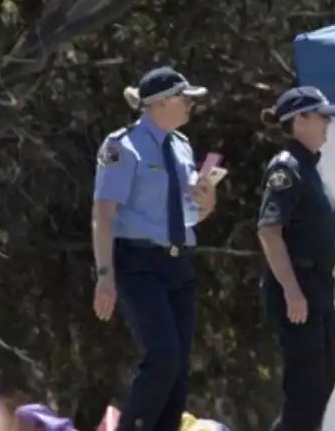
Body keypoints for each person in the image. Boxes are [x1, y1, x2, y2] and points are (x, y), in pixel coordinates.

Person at [91, 66, 216, 431]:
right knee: (162, 358)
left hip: (178, 264)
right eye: (184, 98)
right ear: (160, 103)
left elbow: (190, 214)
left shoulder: (182, 146)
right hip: (138, 262)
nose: (191, 104)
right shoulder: (122, 146)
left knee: (179, 367)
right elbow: (103, 213)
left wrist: (207, 201)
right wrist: (105, 275)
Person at [256, 86, 335, 431]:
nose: (328, 124)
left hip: (320, 288)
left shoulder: (310, 168)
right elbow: (269, 230)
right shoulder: (287, 167)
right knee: (305, 390)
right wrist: (292, 290)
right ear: (300, 121)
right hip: (299, 287)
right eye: (322, 117)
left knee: (322, 380)